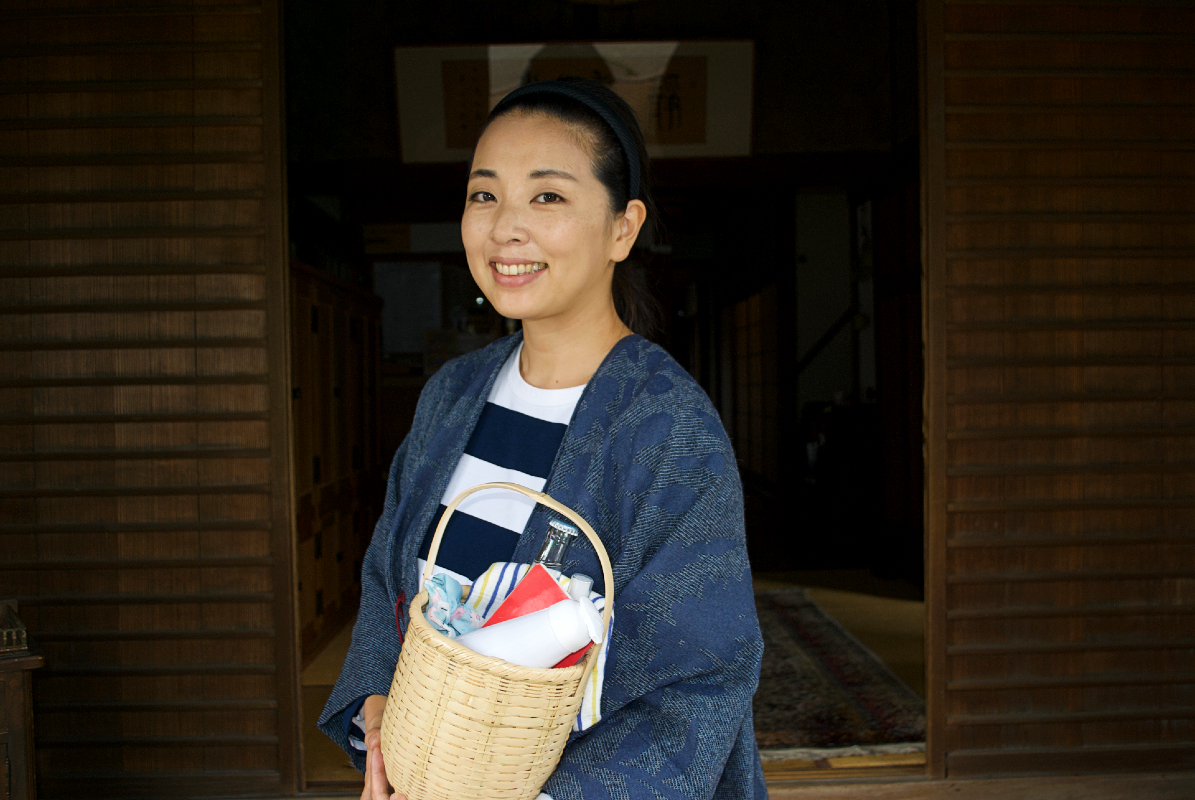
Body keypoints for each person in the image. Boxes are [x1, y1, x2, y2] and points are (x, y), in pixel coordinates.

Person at [318, 78, 767, 800]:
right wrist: (378, 709)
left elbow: (699, 669)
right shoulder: (450, 396)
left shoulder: (667, 427)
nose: (504, 229)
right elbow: (386, 576)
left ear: (623, 228)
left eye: (548, 197)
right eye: (484, 195)